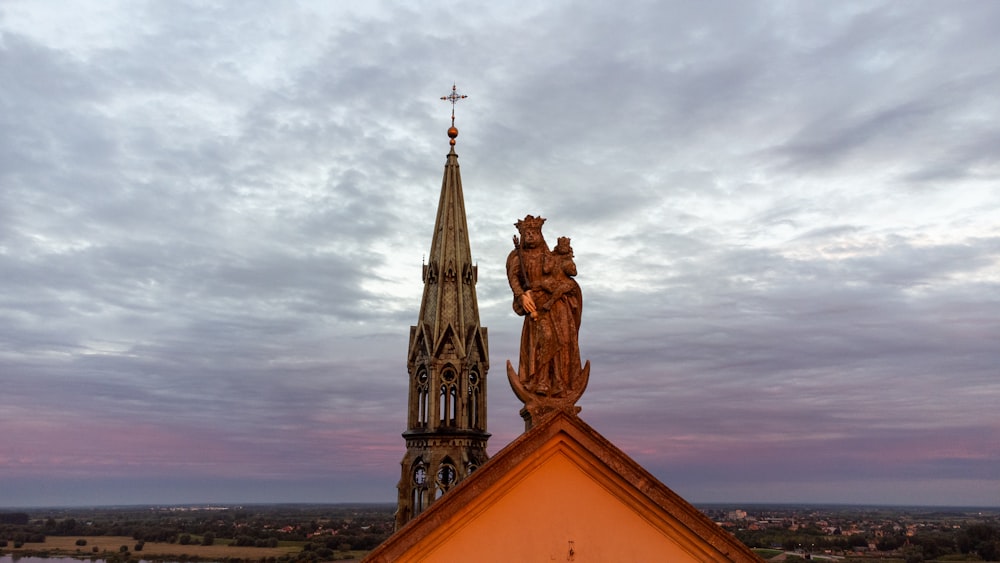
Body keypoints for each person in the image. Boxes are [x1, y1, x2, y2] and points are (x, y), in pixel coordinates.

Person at [506, 216, 582, 397]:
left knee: (561, 343)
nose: (531, 236)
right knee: (544, 339)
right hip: (537, 306)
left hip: (556, 306)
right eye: (527, 233)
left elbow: (566, 273)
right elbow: (513, 277)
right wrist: (521, 295)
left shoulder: (550, 256)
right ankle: (540, 380)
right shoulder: (518, 256)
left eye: (534, 233)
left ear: (540, 235)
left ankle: (558, 382)